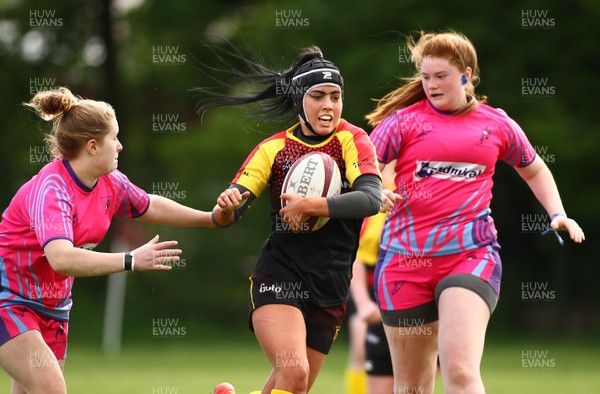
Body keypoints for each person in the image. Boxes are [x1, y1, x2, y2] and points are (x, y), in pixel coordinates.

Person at [365, 31, 585, 394]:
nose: (431, 85)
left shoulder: (495, 123)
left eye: (441, 76)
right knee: (411, 386)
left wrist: (557, 213)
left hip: (470, 256)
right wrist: (375, 193)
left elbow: (534, 168)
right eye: (425, 76)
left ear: (466, 74)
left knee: (461, 370)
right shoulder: (402, 122)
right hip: (404, 260)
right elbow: (365, 171)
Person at [0, 87, 216, 394]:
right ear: (91, 146)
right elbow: (61, 258)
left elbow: (148, 205)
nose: (120, 146)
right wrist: (130, 260)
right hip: (10, 301)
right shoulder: (52, 190)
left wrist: (210, 218)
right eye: (113, 138)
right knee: (51, 389)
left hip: (54, 307)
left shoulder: (108, 182)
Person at [197, 44, 384, 394]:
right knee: (294, 374)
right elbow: (227, 214)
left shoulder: (353, 139)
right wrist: (225, 207)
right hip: (280, 274)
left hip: (332, 285)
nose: (328, 105)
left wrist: (312, 205)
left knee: (291, 388)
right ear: (299, 100)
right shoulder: (274, 148)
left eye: (335, 96)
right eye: (317, 96)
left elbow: (372, 198)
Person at [346, 166, 396, 394]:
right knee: (361, 348)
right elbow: (355, 255)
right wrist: (364, 303)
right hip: (372, 283)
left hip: (412, 286)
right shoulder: (378, 200)